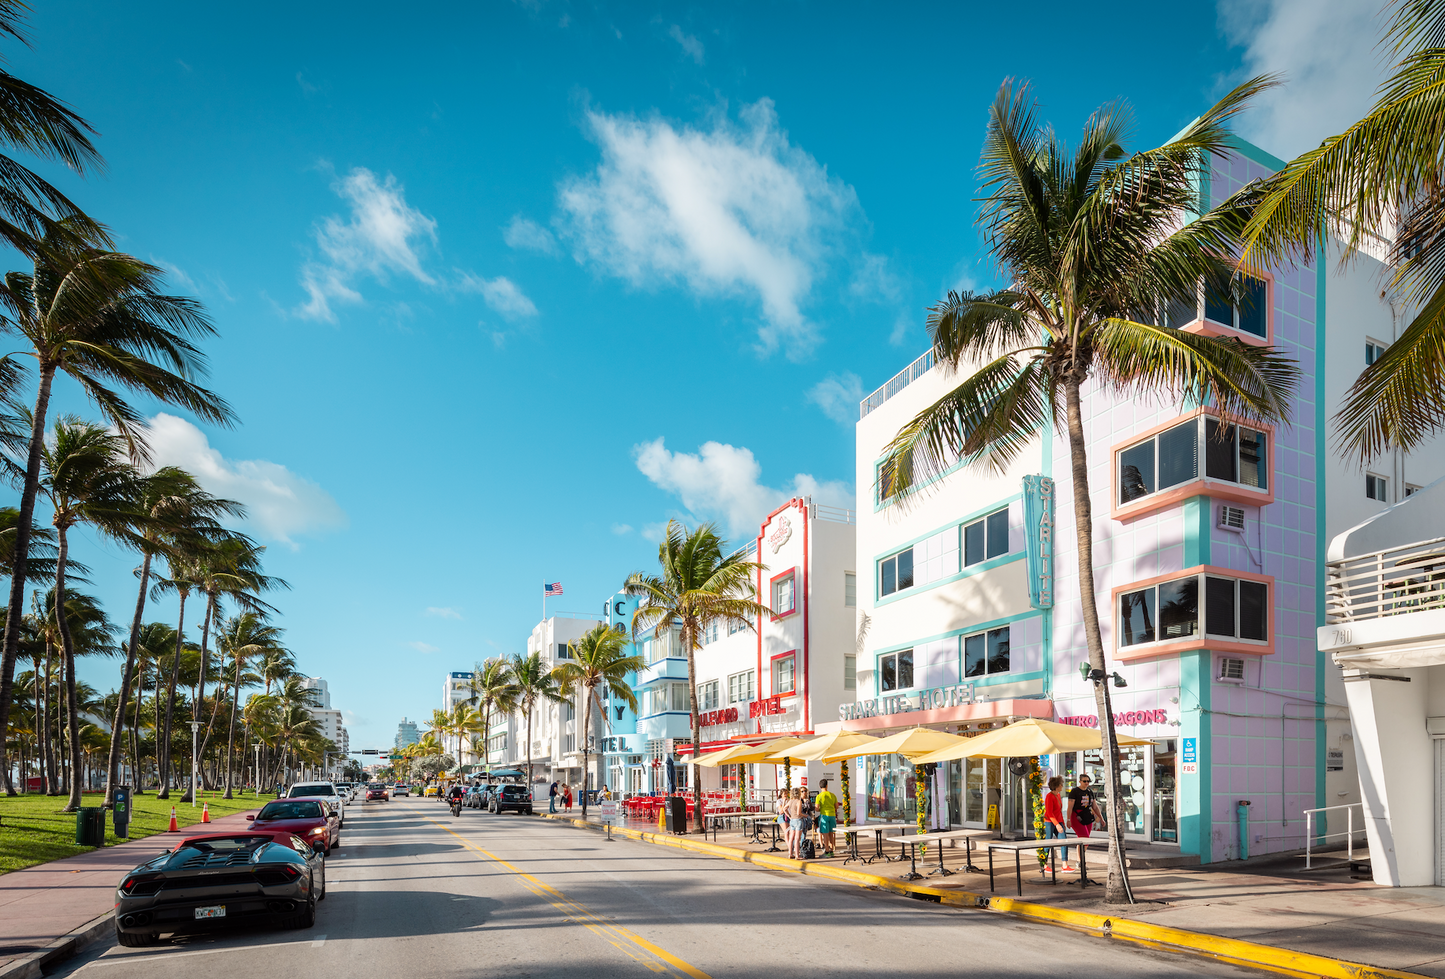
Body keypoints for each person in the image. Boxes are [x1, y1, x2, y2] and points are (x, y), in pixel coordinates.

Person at [1067, 774, 1101, 870]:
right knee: (1084, 838)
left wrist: (1100, 818)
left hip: (1087, 816)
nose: (1086, 783)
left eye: (1088, 781)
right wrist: (1068, 819)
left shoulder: (1090, 791)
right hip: (1076, 816)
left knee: (1085, 840)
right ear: (1080, 781)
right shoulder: (1074, 792)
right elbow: (1070, 807)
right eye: (1084, 781)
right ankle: (1080, 861)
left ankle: (1080, 860)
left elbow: (1095, 806)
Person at [1043, 776, 1068, 871]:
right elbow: (1050, 813)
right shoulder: (1049, 796)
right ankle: (1044, 864)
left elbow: (1059, 812)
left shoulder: (1057, 795)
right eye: (1061, 784)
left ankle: (1065, 865)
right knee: (1048, 842)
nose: (1062, 786)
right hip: (1050, 822)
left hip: (1058, 821)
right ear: (1056, 786)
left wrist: (1062, 823)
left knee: (1064, 841)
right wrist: (1057, 824)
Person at [815, 779, 838, 857]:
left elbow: (817, 808)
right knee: (831, 834)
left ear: (820, 786)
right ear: (827, 785)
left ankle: (827, 852)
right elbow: (836, 806)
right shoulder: (832, 795)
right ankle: (832, 851)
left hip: (824, 815)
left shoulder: (819, 796)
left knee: (825, 835)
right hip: (832, 815)